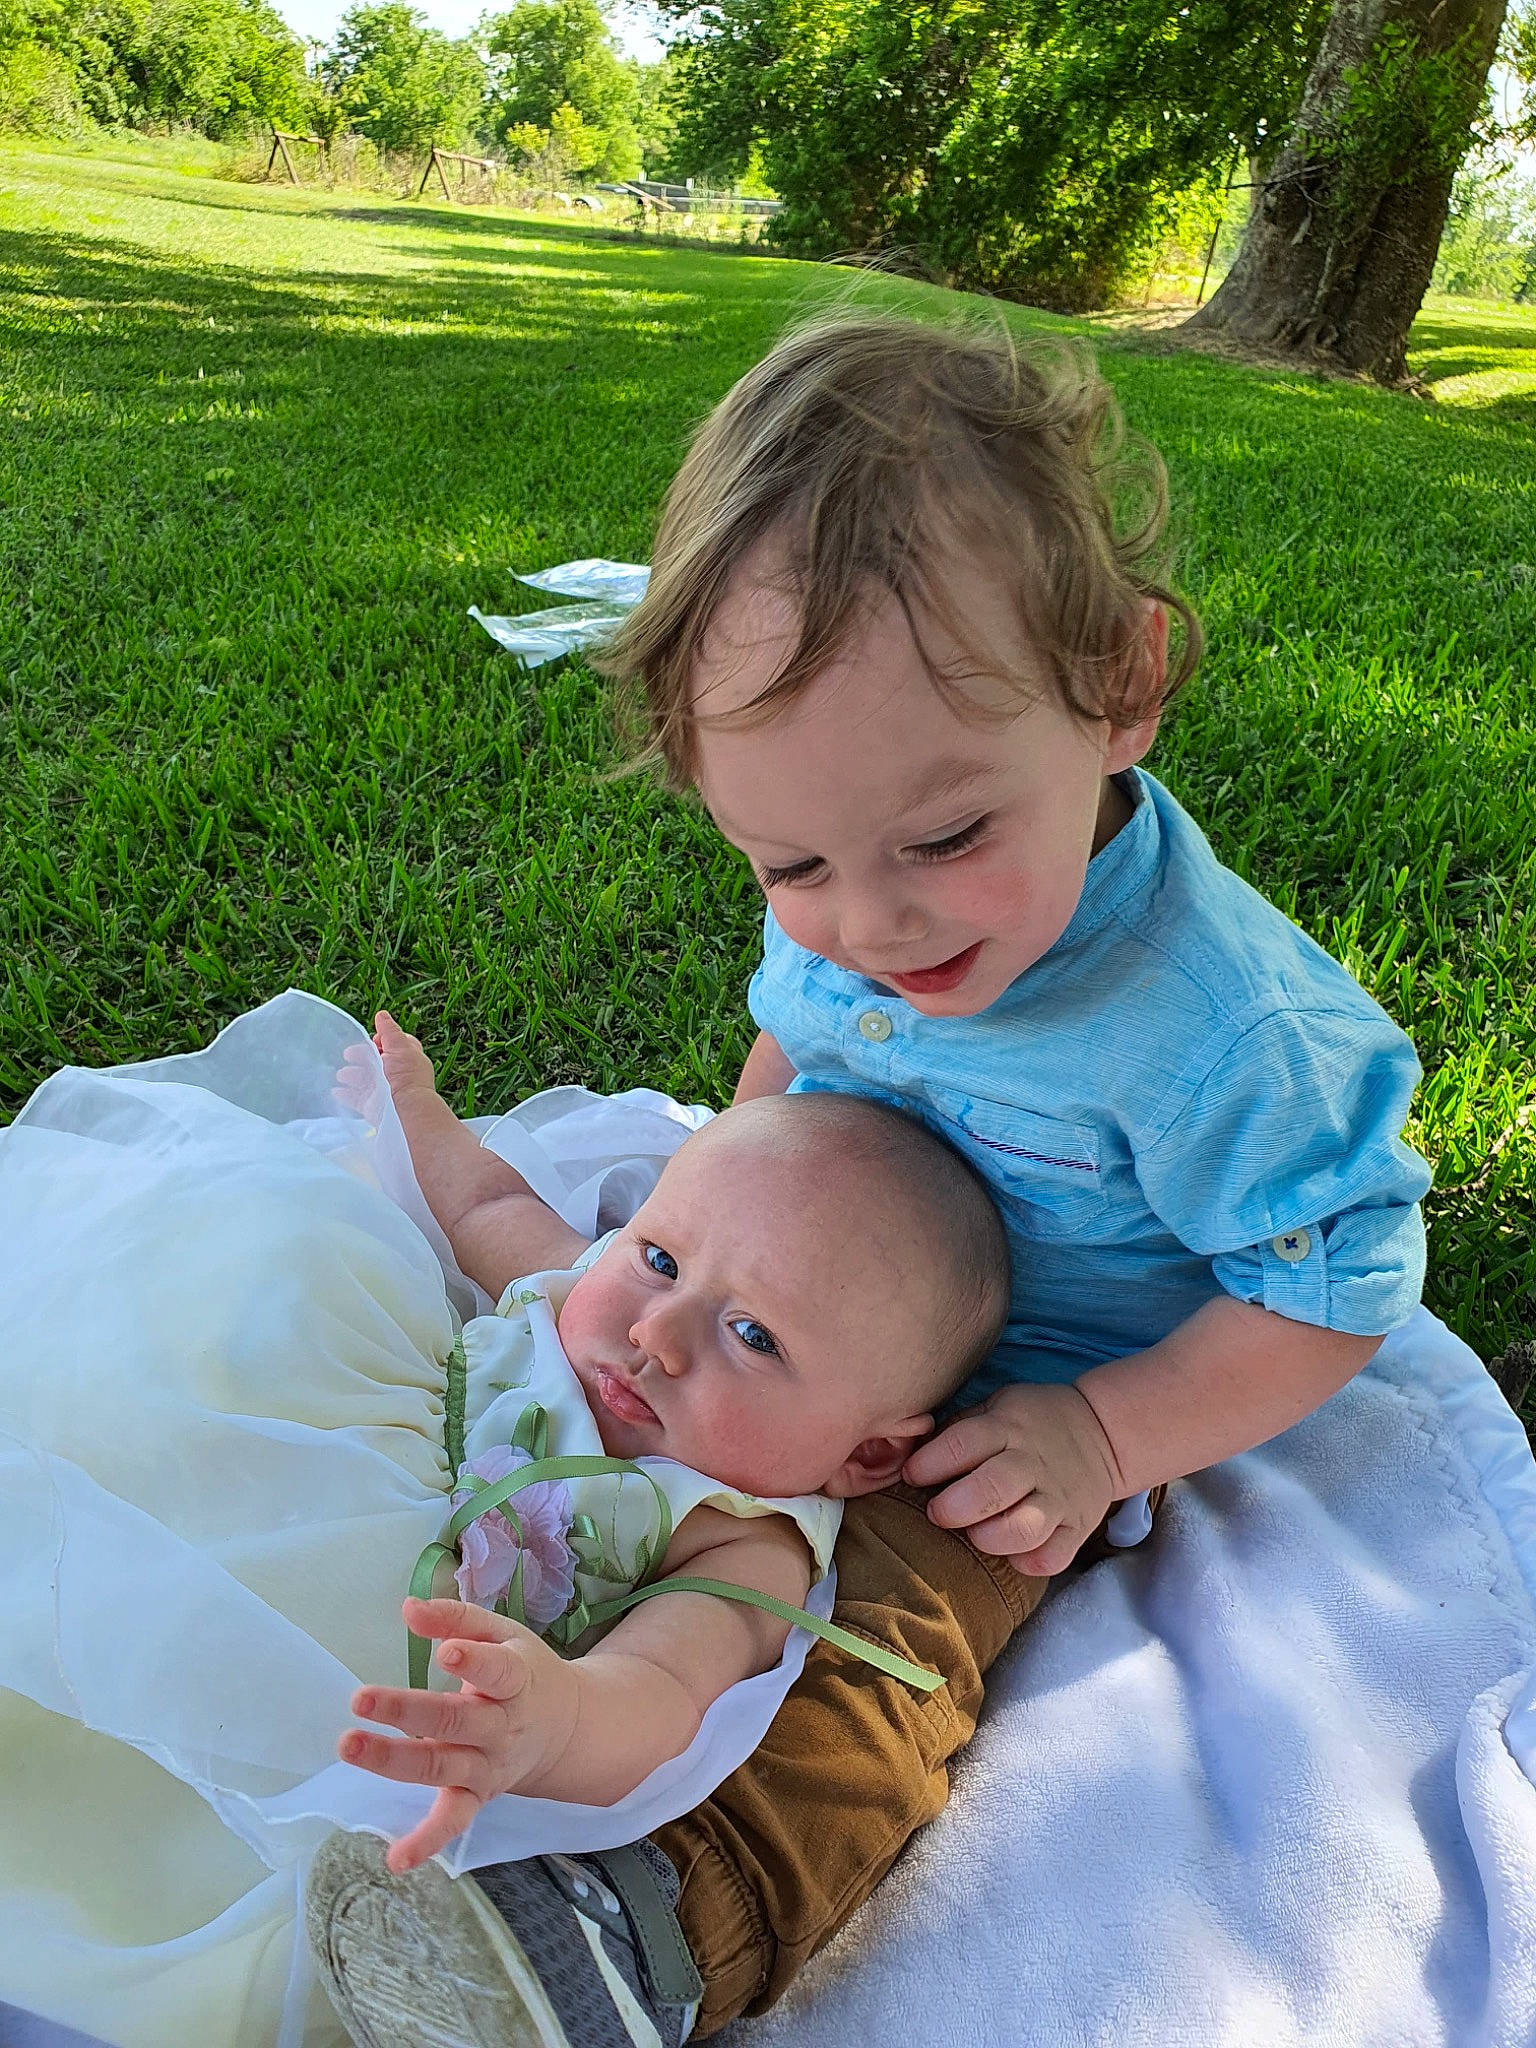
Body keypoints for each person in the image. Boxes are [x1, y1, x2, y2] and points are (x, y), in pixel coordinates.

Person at [306, 312, 1432, 2048]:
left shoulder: (1229, 1039)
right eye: (792, 861)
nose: (870, 924)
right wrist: (713, 1209)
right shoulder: (846, 914)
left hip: (997, 1411)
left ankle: (655, 1917)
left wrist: (1108, 1434)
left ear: (1121, 689)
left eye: (947, 838)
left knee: (879, 1644)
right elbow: (792, 1053)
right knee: (551, 1322)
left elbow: (1338, 1282)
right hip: (818, 1286)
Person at [0, 991, 1008, 2048]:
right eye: (661, 1257)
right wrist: (417, 1111)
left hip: (403, 1627)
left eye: (753, 1334)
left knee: (166, 1700)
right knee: (161, 1376)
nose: (657, 1330)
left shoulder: (743, 1531)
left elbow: (666, 1688)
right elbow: (481, 1202)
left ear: (867, 1454)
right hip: (325, 1434)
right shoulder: (577, 1283)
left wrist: (556, 1713)